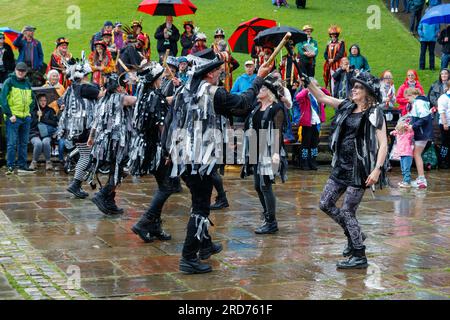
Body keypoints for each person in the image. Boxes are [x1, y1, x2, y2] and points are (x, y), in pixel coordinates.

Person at [166, 55, 273, 274]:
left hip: (183, 157)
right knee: (200, 207)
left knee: (199, 201)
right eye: (218, 71)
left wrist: (167, 149)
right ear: (209, 73)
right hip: (200, 160)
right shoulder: (214, 93)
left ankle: (204, 245)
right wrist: (258, 79)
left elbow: (170, 120)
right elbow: (243, 105)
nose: (220, 74)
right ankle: (188, 258)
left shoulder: (184, 90)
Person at [304, 71, 388, 269]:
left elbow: (383, 144)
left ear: (368, 92)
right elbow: (322, 97)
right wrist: (308, 83)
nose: (354, 89)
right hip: (341, 166)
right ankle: (354, 233)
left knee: (348, 211)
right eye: (354, 86)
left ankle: (359, 255)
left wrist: (376, 170)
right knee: (325, 204)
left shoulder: (375, 112)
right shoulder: (347, 105)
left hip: (359, 169)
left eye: (358, 87)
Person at [130, 62, 178, 242]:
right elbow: (161, 126)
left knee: (163, 186)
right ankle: (144, 222)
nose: (163, 78)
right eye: (161, 77)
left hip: (147, 146)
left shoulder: (145, 95)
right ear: (156, 80)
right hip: (156, 148)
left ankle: (156, 226)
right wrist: (167, 151)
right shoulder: (154, 97)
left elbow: (164, 102)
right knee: (167, 187)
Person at [88, 74, 137, 215]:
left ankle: (109, 201)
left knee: (115, 170)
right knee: (121, 170)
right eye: (123, 85)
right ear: (118, 87)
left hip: (105, 142)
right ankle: (103, 195)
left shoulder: (103, 100)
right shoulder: (121, 98)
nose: (125, 87)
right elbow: (136, 100)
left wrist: (91, 137)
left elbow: (96, 122)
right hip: (118, 143)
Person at [58, 54, 105, 198]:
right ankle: (75, 184)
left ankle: (76, 184)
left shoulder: (72, 88)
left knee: (85, 155)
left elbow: (61, 101)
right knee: (86, 156)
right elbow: (102, 95)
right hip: (85, 128)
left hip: (75, 129)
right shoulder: (86, 88)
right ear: (84, 75)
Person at [1, 62, 35, 174]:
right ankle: (10, 166)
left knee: (24, 143)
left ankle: (22, 165)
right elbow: (3, 100)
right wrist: (10, 115)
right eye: (19, 70)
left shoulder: (27, 83)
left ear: (26, 72)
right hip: (13, 118)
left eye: (23, 71)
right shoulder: (9, 82)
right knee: (12, 143)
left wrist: (29, 112)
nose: (20, 72)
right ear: (15, 70)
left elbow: (32, 100)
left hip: (25, 118)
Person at [295, 79, 330, 170]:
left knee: (314, 145)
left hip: (316, 123)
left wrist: (319, 88)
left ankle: (313, 161)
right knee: (305, 145)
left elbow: (328, 94)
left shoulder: (319, 96)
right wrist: (308, 89)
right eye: (313, 86)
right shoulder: (305, 96)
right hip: (307, 124)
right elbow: (298, 97)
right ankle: (304, 162)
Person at [405, 88, 433, 188]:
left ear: (411, 95)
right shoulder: (420, 102)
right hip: (423, 133)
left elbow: (424, 118)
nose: (407, 100)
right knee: (417, 154)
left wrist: (413, 126)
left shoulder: (419, 102)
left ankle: (422, 179)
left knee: (417, 154)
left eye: (407, 98)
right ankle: (421, 178)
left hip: (422, 133)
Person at [29, 94, 58, 171]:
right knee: (38, 143)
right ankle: (34, 162)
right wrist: (36, 116)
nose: (43, 102)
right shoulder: (32, 111)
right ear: (37, 101)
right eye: (41, 100)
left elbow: (54, 123)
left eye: (44, 100)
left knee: (45, 142)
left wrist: (42, 118)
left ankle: (48, 162)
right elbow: (30, 125)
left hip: (46, 133)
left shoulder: (50, 110)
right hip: (34, 133)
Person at [390, 118, 415, 187]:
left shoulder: (407, 135)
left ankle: (407, 182)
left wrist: (406, 125)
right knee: (403, 169)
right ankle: (405, 181)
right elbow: (393, 132)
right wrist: (394, 131)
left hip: (407, 154)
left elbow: (411, 132)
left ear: (403, 130)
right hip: (401, 154)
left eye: (399, 130)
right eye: (397, 130)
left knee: (406, 169)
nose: (397, 131)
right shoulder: (398, 135)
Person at [323, 25, 346, 92]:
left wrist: (334, 59)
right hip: (330, 65)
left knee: (339, 78)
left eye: (335, 34)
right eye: (331, 34)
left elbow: (341, 53)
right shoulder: (328, 44)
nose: (333, 36)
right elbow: (325, 54)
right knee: (331, 79)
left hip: (338, 64)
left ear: (337, 35)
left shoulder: (341, 43)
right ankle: (332, 93)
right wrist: (328, 59)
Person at [437, 79, 450, 169]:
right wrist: (445, 123)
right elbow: (442, 112)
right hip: (446, 124)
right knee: (445, 143)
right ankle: (442, 161)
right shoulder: (443, 98)